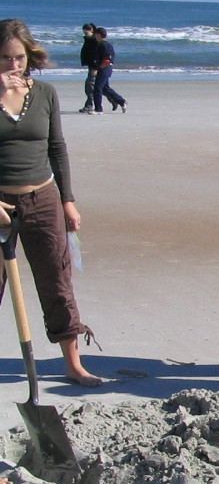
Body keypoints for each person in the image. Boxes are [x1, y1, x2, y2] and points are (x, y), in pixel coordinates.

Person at [0, 19, 101, 386]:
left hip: (42, 198)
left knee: (57, 283)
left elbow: (56, 149)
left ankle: (72, 364)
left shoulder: (44, 93)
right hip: (0, 203)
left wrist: (67, 201)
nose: (14, 66)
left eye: (20, 58)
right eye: (6, 59)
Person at [91, 28, 126, 113]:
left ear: (99, 35)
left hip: (105, 68)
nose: (95, 36)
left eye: (96, 34)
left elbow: (107, 59)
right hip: (104, 68)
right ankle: (121, 101)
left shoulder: (105, 45)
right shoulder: (101, 44)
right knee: (105, 88)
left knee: (97, 88)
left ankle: (98, 109)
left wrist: (97, 68)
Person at [78, 24, 98, 113]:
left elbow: (96, 55)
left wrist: (95, 67)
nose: (85, 34)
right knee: (101, 87)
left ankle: (89, 105)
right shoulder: (88, 39)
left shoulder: (94, 41)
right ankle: (117, 100)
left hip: (95, 67)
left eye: (86, 32)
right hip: (91, 66)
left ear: (91, 30)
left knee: (89, 86)